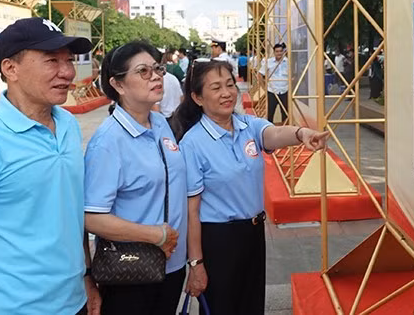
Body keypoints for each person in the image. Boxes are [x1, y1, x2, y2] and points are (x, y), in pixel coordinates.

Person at [0, 17, 99, 314]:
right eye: (52, 60)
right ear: (10, 68)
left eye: (69, 60)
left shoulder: (68, 126)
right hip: (12, 307)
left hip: (73, 302)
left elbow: (70, 214)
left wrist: (87, 278)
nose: (67, 72)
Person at [175, 59, 329, 315]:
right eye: (215, 88)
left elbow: (275, 134)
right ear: (198, 97)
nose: (227, 93)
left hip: (253, 233)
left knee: (252, 305)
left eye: (229, 84)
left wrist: (302, 134)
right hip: (218, 240)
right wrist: (196, 263)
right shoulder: (193, 143)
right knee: (222, 307)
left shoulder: (248, 125)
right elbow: (192, 211)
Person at [84, 41, 186, 314]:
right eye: (143, 71)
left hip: (172, 265)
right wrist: (154, 235)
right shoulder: (108, 141)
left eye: (157, 69)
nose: (155, 76)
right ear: (118, 84)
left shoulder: (160, 122)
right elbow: (92, 216)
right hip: (130, 269)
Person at [260, 43, 289, 123]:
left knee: (285, 113)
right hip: (272, 91)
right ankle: (269, 131)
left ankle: (285, 132)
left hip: (285, 91)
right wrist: (264, 88)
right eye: (277, 51)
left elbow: (294, 75)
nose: (279, 53)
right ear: (274, 52)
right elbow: (260, 74)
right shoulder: (268, 62)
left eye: (280, 51)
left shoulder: (288, 62)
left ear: (283, 52)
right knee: (270, 113)